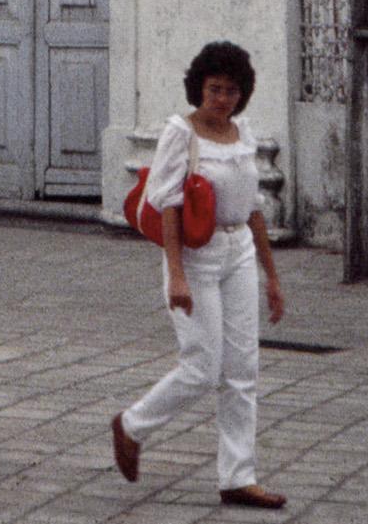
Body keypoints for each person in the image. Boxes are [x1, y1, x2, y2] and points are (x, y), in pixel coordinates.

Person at [112, 40, 288, 510]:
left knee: (243, 370)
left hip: (239, 254)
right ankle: (132, 425)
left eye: (232, 90)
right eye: (214, 89)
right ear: (198, 88)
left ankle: (238, 476)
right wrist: (176, 275)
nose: (223, 99)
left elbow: (253, 209)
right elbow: (166, 203)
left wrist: (271, 278)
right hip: (195, 257)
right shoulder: (181, 133)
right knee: (202, 367)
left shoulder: (243, 133)